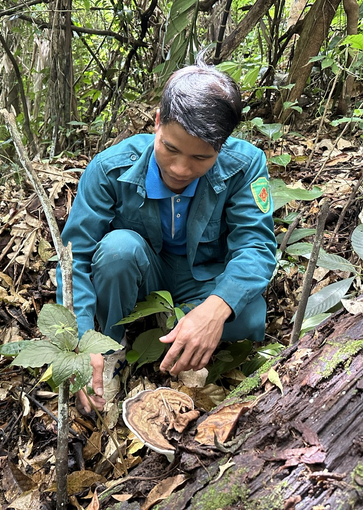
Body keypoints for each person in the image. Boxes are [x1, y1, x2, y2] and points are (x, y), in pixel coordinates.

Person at [56, 64, 277, 413]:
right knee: (117, 250)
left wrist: (215, 311)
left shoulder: (246, 165)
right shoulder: (110, 168)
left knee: (247, 319)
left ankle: (180, 326)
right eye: (170, 149)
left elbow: (256, 245)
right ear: (157, 121)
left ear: (222, 145)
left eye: (200, 157)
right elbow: (76, 258)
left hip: (202, 278)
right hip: (144, 273)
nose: (180, 169)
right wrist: (81, 342)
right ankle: (113, 342)